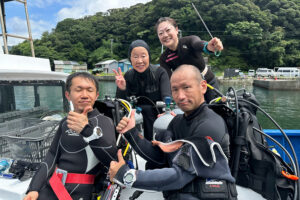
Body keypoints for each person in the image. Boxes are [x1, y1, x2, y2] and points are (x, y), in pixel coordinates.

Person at [109, 65, 236, 200]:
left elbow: (179, 176)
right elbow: (158, 158)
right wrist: (131, 132)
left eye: (186, 87)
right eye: (175, 89)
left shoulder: (210, 125)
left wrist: (125, 175)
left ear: (203, 86)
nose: (180, 96)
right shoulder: (177, 122)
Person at [24, 72, 117, 200]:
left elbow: (112, 160)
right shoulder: (64, 122)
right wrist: (34, 188)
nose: (84, 95)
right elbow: (51, 155)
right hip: (53, 186)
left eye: (90, 90)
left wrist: (87, 130)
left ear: (96, 95)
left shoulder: (104, 121)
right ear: (68, 95)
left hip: (81, 190)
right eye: (78, 90)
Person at [113, 39, 171, 142]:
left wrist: (166, 112)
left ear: (149, 56)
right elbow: (120, 104)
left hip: (157, 116)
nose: (139, 61)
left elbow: (167, 98)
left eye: (143, 56)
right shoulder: (128, 76)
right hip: (135, 119)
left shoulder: (160, 73)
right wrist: (122, 88)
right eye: (135, 57)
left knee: (148, 110)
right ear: (130, 59)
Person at [156, 17, 223, 103]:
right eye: (161, 33)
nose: (165, 35)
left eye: (168, 30)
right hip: (188, 92)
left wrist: (209, 46)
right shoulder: (164, 58)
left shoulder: (189, 41)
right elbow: (169, 81)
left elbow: (198, 44)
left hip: (208, 83)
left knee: (218, 109)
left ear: (176, 30)